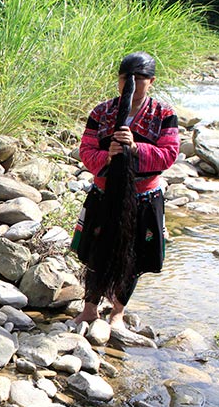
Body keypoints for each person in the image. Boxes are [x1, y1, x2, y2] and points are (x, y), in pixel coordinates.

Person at [71, 52, 179, 330]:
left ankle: (117, 312)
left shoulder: (163, 114)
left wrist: (134, 149)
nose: (131, 83)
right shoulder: (101, 111)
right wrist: (107, 156)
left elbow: (168, 155)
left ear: (151, 81)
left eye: (139, 78)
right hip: (104, 194)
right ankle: (90, 308)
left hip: (143, 197)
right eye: (125, 78)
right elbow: (86, 150)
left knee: (133, 256)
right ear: (118, 80)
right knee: (96, 251)